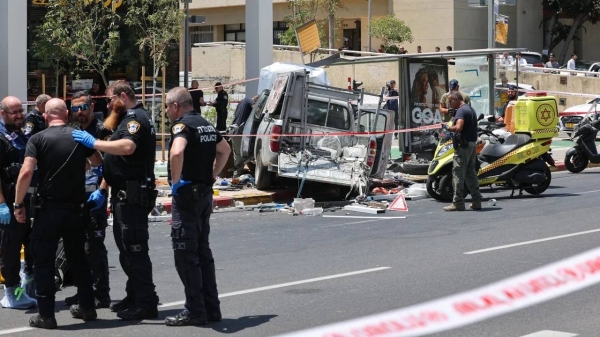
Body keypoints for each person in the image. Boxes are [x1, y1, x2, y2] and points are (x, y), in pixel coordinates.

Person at [71, 80, 159, 320]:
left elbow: (128, 147)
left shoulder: (135, 119)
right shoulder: (125, 118)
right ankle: (135, 295)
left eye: (110, 99)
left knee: (135, 250)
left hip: (132, 196)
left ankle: (146, 302)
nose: (108, 104)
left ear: (122, 96)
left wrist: (94, 143)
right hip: (123, 195)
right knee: (126, 250)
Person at [14, 98, 102, 329]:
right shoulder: (77, 136)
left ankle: (47, 315)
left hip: (49, 210)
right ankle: (87, 307)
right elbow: (96, 161)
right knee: (79, 260)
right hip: (76, 209)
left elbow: (26, 172)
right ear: (66, 114)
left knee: (43, 261)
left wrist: (17, 203)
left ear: (45, 116)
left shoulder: (38, 138)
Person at [163, 87, 230, 326]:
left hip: (188, 198)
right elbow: (225, 150)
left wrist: (175, 181)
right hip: (203, 195)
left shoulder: (183, 126)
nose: (167, 112)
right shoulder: (206, 124)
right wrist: (212, 174)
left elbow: (177, 152)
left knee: (185, 255)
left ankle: (194, 310)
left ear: (176, 106)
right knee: (203, 252)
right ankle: (212, 308)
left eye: (167, 107)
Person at [63, 91, 113, 309]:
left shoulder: (103, 130)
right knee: (79, 246)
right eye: (75, 109)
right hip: (77, 196)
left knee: (95, 247)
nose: (79, 112)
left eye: (83, 107)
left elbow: (110, 165)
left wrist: (102, 191)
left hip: (96, 196)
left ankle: (101, 293)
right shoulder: (75, 131)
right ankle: (85, 290)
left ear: (92, 106)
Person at [0, 96, 37, 310]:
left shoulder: (21, 133)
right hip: (9, 202)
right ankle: (12, 294)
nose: (19, 115)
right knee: (11, 248)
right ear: (3, 113)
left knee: (31, 244)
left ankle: (26, 287)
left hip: (24, 201)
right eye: (14, 112)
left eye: (20, 111)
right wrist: (2, 204)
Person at [441, 92, 482, 212]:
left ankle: (458, 202)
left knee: (458, 173)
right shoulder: (470, 109)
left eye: (450, 101)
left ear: (456, 99)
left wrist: (448, 127)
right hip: (471, 145)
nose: (449, 104)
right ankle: (476, 201)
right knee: (470, 173)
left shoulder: (461, 111)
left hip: (463, 147)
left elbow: (459, 127)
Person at [230, 95, 257, 172]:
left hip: (233, 130)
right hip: (238, 131)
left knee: (238, 154)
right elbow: (256, 109)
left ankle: (238, 173)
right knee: (239, 155)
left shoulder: (241, 103)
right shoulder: (249, 100)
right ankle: (237, 174)